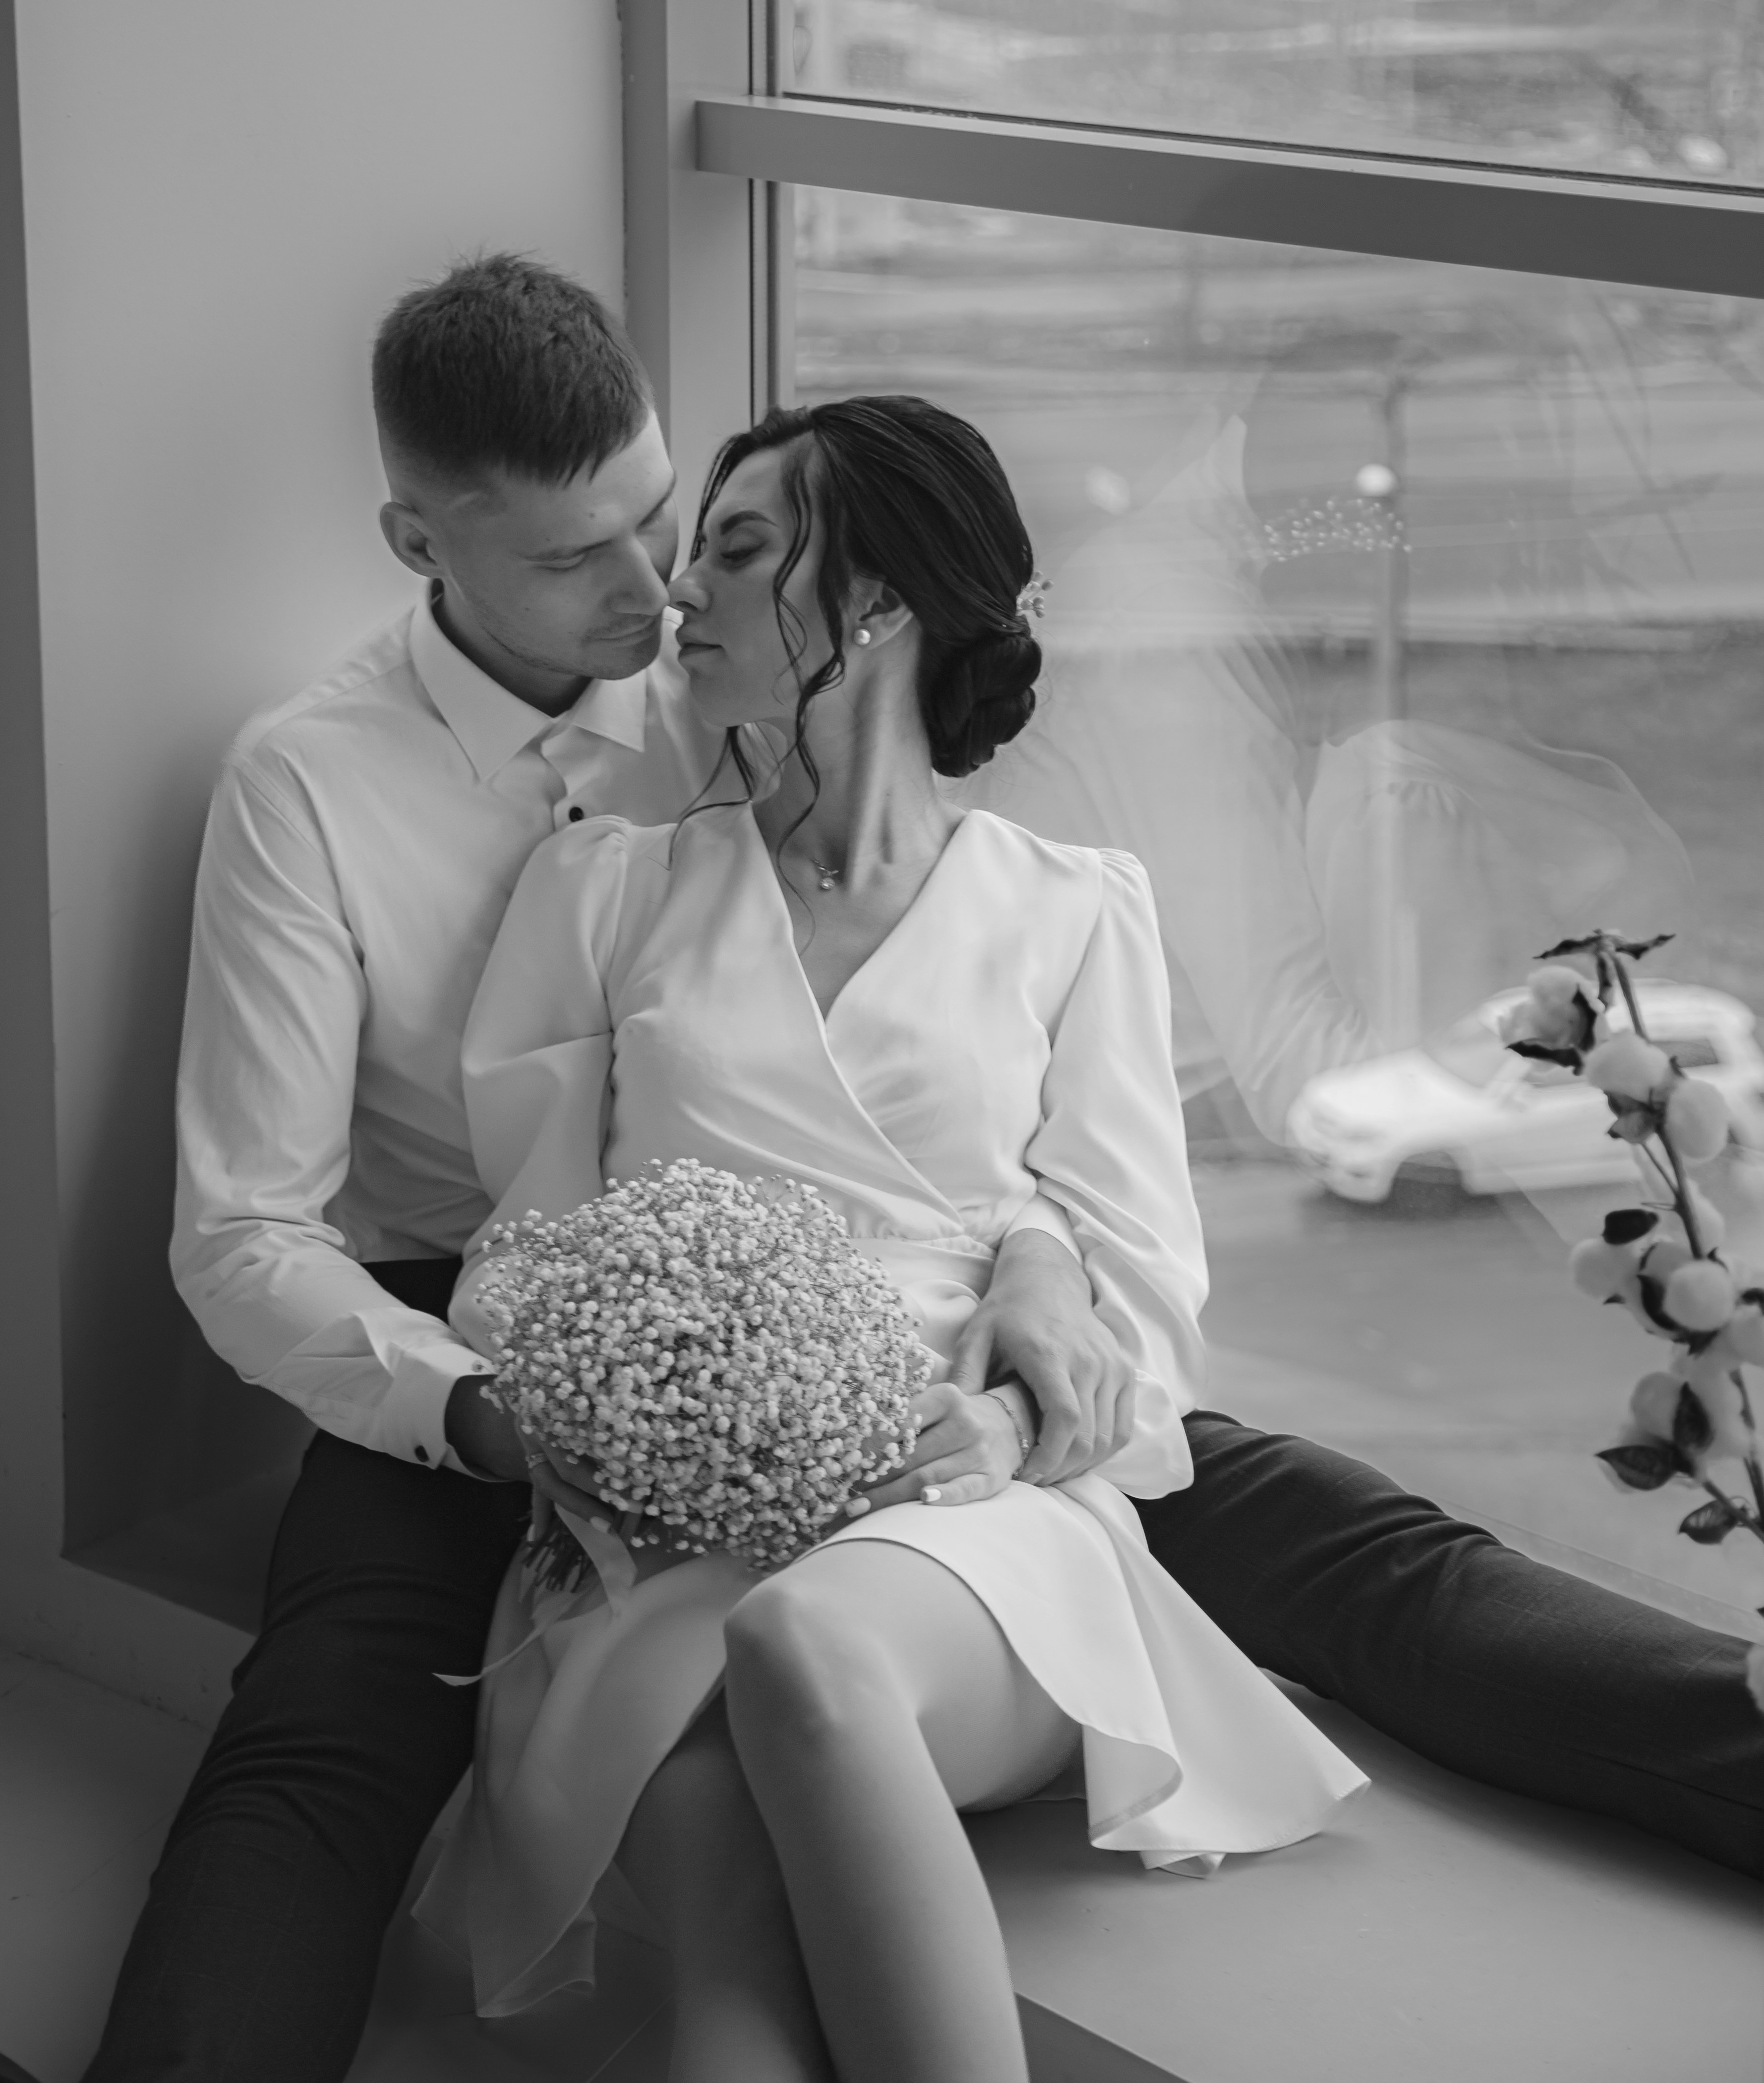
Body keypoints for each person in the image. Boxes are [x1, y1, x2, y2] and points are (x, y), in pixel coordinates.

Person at [85, 255, 1762, 2083]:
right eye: (583, 559)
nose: (650, 595)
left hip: (929, 1354)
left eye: (672, 526)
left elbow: (978, 1102)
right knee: (328, 1740)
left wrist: (1034, 1272)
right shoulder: (322, 787)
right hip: (480, 1328)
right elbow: (263, 1229)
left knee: (1370, 1559)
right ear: (421, 543)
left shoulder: (815, 746)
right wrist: (498, 1407)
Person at [414, 391, 1365, 2080]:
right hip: (672, 1525)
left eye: (738, 546)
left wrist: (1011, 1384)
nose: (677, 595)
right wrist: (642, 1429)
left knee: (807, 1636)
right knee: (711, 1883)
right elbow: (528, 1262)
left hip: (976, 1531)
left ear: (876, 603)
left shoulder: (1075, 909)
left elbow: (1143, 1295)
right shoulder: (609, 888)